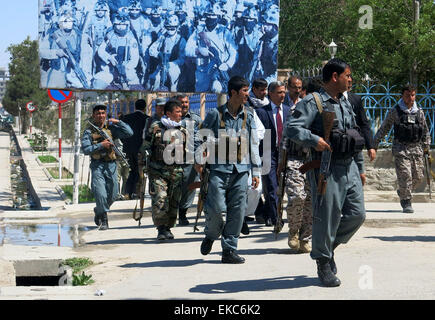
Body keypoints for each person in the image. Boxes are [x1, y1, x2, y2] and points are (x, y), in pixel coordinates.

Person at [286, 58, 366, 287]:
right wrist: (314, 140)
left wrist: (359, 168)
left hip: (349, 166)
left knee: (357, 215)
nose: (350, 79)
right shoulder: (314, 102)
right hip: (326, 167)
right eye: (347, 75)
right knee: (326, 218)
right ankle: (323, 261)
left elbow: (354, 135)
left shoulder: (346, 102)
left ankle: (326, 248)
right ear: (334, 77)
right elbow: (293, 128)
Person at [196, 76, 261, 264]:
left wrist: (256, 171)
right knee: (215, 208)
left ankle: (229, 250)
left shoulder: (248, 115)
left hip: (241, 171)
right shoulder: (215, 115)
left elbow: (253, 144)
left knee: (238, 211)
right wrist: (198, 159)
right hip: (218, 170)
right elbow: (200, 137)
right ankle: (211, 234)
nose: (248, 95)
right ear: (233, 92)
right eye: (245, 91)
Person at [374, 84, 431, 213]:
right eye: (407, 95)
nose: (411, 98)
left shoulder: (419, 112)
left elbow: (425, 131)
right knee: (405, 175)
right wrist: (374, 143)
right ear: (402, 96)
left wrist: (426, 146)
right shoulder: (395, 111)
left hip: (416, 148)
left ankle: (403, 190)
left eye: (413, 95)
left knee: (418, 177)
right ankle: (406, 201)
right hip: (401, 148)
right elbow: (384, 128)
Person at [81, 105, 133, 230]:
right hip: (97, 166)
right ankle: (104, 219)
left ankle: (99, 209)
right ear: (93, 115)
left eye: (103, 113)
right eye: (98, 113)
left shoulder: (111, 129)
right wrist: (101, 145)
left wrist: (118, 121)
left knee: (114, 194)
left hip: (111, 165)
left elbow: (129, 133)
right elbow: (86, 149)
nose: (101, 115)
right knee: (100, 194)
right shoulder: (89, 131)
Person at [141, 99, 186, 240]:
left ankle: (168, 227)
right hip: (158, 172)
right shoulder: (156, 128)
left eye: (181, 111)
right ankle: (161, 228)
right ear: (168, 113)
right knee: (161, 198)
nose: (180, 114)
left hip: (176, 173)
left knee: (173, 201)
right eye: (177, 111)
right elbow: (145, 148)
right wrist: (142, 167)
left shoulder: (183, 130)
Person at [255, 81, 290, 227]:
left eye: (284, 92)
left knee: (285, 186)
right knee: (271, 187)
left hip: (286, 153)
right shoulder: (262, 112)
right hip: (268, 153)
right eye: (279, 92)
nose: (282, 95)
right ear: (271, 94)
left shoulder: (289, 111)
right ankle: (276, 218)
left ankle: (275, 213)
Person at [185, 3, 237, 93]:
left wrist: (228, 64)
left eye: (213, 15)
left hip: (218, 68)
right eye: (208, 15)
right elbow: (187, 50)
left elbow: (234, 52)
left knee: (217, 89)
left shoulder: (224, 32)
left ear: (218, 16)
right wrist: (199, 50)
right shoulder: (198, 31)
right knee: (200, 95)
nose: (210, 17)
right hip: (202, 69)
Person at [177, 94, 202, 226]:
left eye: (186, 102)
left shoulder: (195, 118)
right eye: (181, 102)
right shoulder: (170, 118)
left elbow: (201, 137)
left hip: (190, 159)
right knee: (175, 187)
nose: (184, 105)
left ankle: (183, 213)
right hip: (173, 158)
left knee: (190, 186)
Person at [148, 14, 186, 91]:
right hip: (162, 64)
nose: (170, 30)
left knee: (173, 76)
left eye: (173, 28)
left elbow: (182, 59)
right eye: (168, 28)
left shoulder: (181, 40)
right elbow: (151, 50)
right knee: (154, 79)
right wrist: (158, 54)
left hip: (174, 65)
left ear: (177, 28)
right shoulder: (162, 37)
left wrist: (171, 64)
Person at [120, 99, 149, 199]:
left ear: (135, 107)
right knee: (139, 170)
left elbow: (122, 133)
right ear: (145, 108)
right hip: (140, 150)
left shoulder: (126, 118)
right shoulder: (146, 119)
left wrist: (125, 144)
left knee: (133, 170)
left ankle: (128, 192)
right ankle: (136, 192)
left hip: (128, 149)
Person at [344, 75, 376, 162]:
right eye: (347, 78)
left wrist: (370, 146)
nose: (350, 81)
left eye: (350, 79)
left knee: (360, 174)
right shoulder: (329, 99)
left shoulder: (355, 99)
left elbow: (363, 123)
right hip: (338, 146)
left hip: (355, 145)